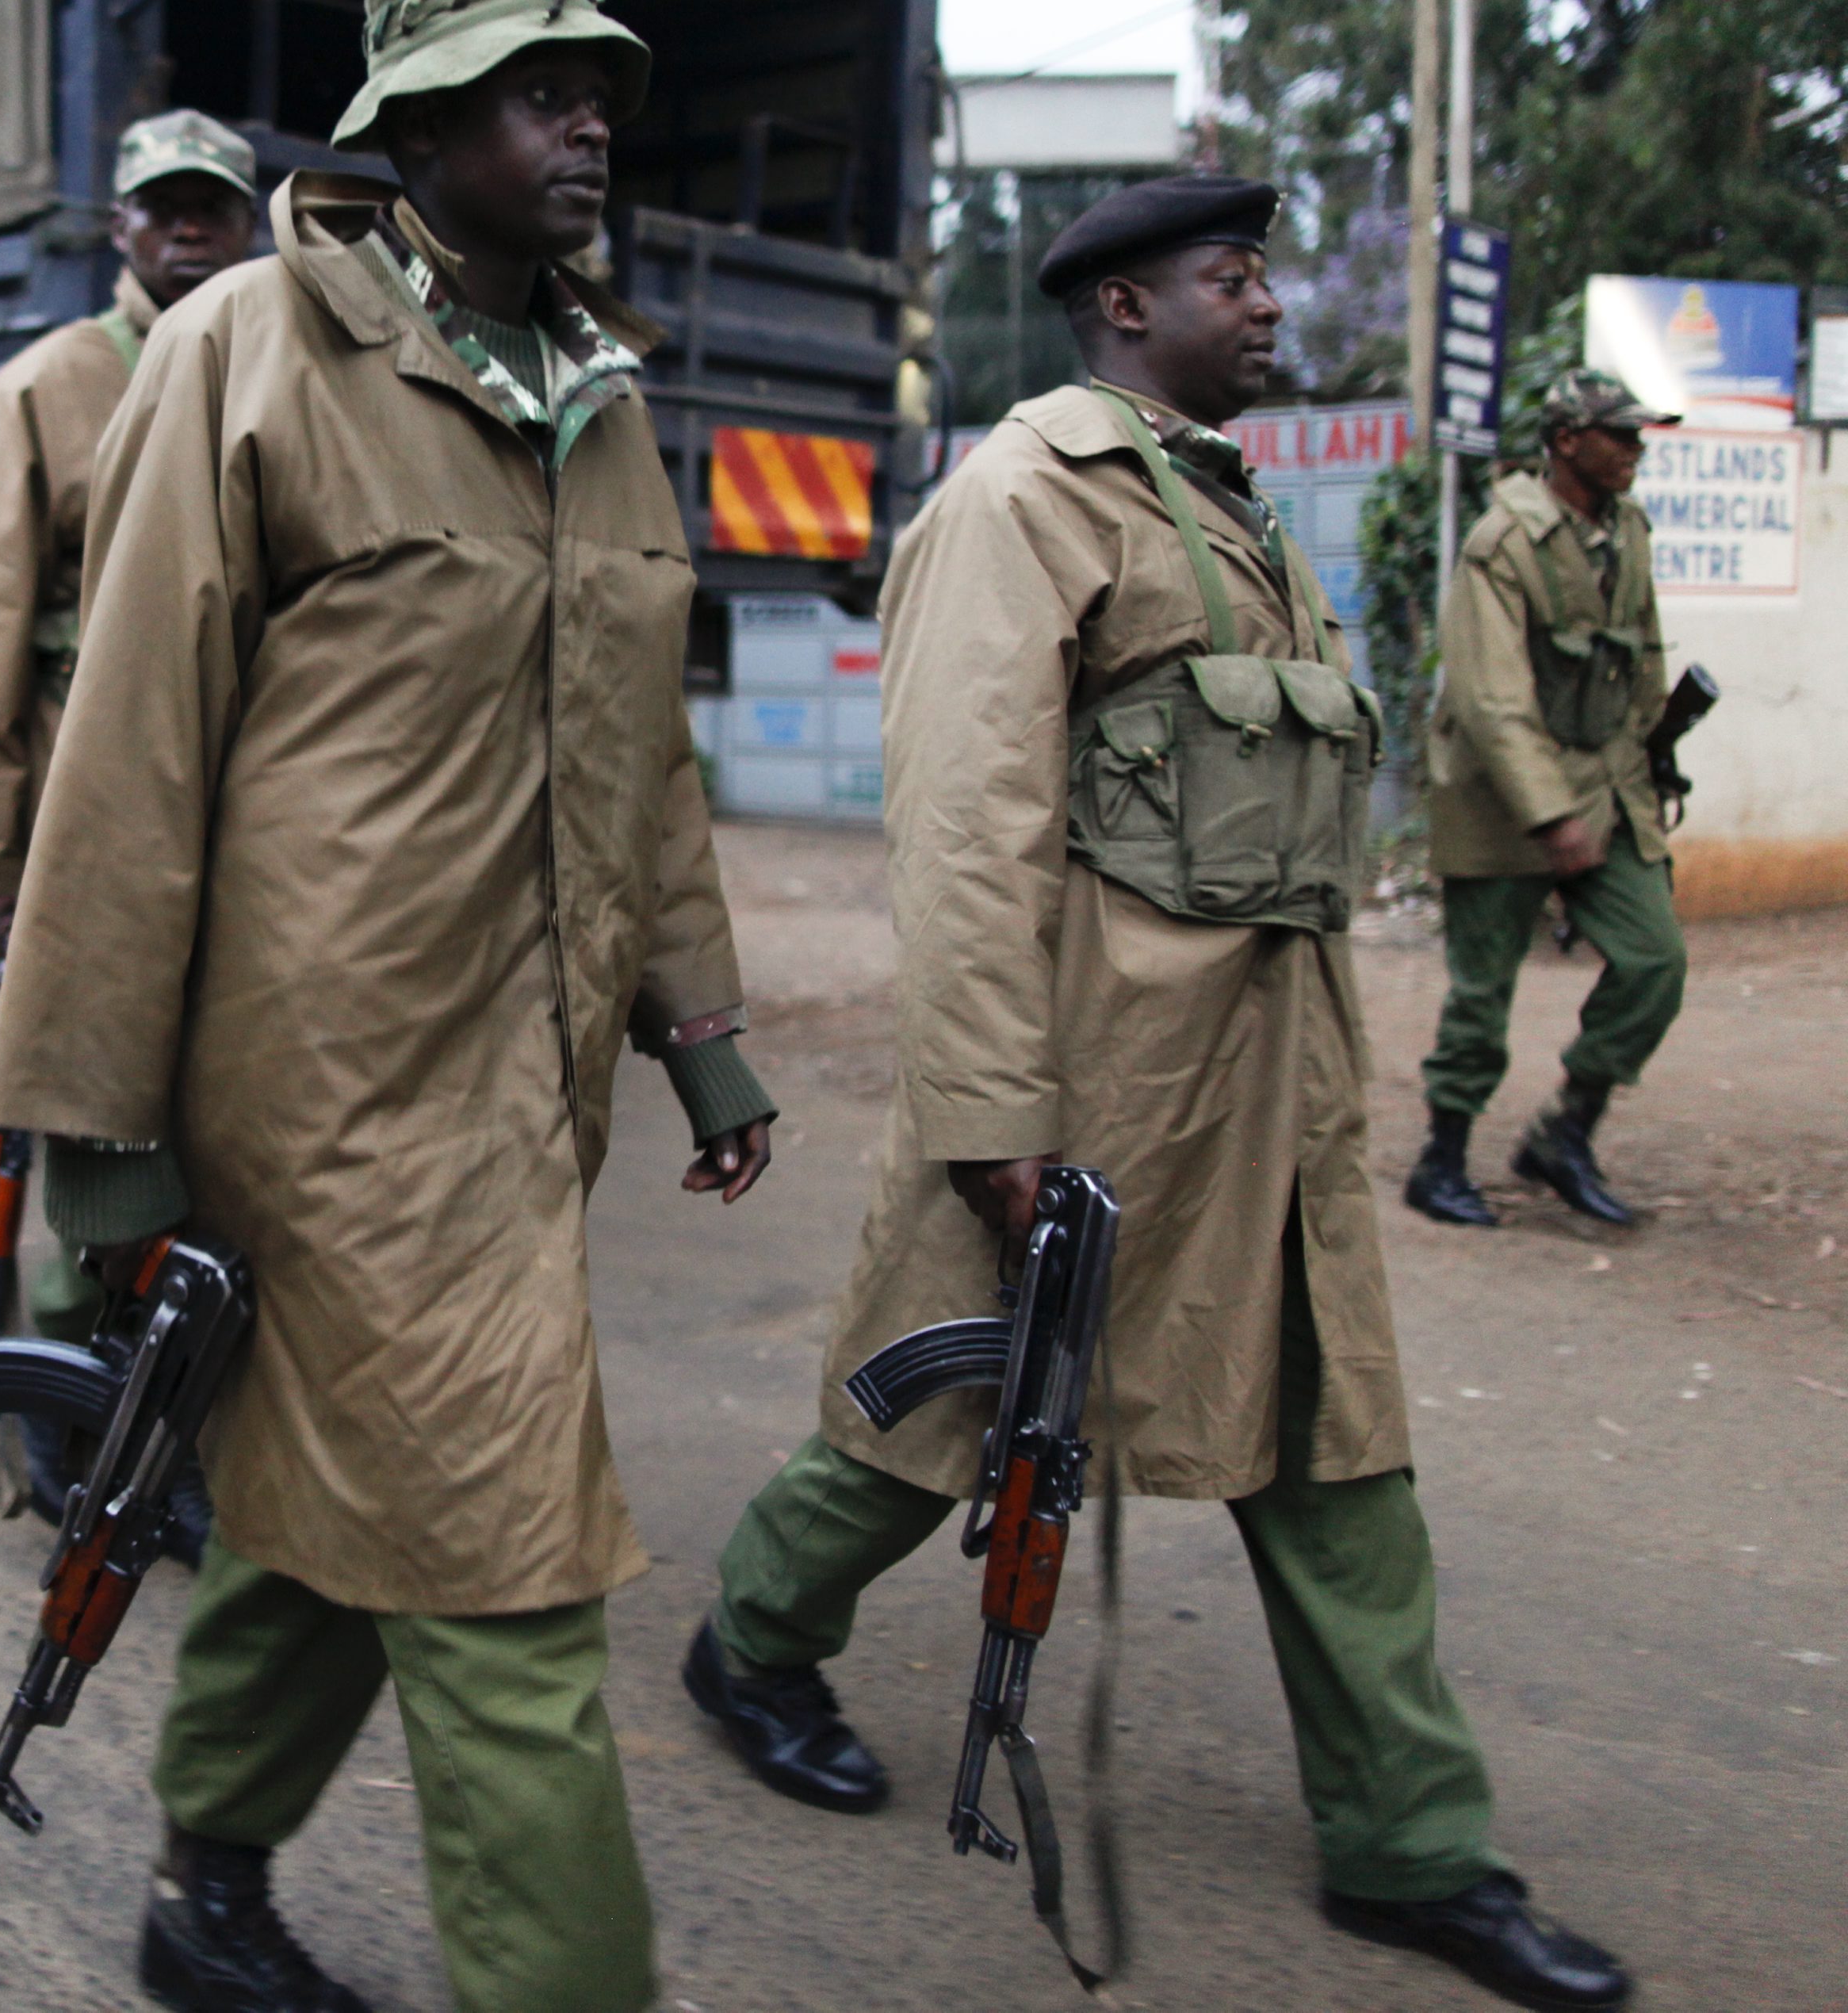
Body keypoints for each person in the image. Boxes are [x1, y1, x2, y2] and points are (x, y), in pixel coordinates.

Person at [683, 177, 1629, 2012]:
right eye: (1233, 275)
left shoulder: (1228, 510)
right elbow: (966, 833)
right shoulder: (1024, 502)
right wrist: (992, 1113)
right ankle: (756, 1641)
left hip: (1273, 1092)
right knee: (944, 1400)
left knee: (1334, 1442)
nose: (1269, 304)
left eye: (1266, 274)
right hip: (1088, 1093)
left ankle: (1413, 1844)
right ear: (1124, 307)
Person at [0, 0, 773, 2013]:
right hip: (314, 1105)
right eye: (537, 87)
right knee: (503, 1564)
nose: (589, 116)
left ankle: (201, 1895)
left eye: (599, 81)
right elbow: (127, 763)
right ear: (418, 129)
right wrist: (102, 1145)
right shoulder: (249, 348)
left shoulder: (596, 398)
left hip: (522, 1105)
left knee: (337, 1510)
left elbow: (637, 753)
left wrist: (700, 1037)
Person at [0, 108, 260, 1368]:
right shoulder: (44, 387)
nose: (187, 226)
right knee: (94, 1105)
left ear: (248, 225)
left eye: (213, 207)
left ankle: (172, 1378)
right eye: (161, 205)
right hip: (89, 808)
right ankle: (70, 1382)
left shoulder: (283, 367)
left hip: (245, 802)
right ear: (118, 226)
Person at [1407, 371, 1683, 1230]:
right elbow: (1490, 698)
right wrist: (1551, 813)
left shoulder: (1625, 526)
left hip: (1604, 778)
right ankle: (1440, 1158)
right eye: (1620, 434)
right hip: (1499, 792)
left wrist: (1654, 755)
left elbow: (1641, 653)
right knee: (1482, 991)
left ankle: (1565, 1132)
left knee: (1653, 960)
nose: (1636, 449)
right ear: (1566, 439)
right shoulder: (1503, 540)